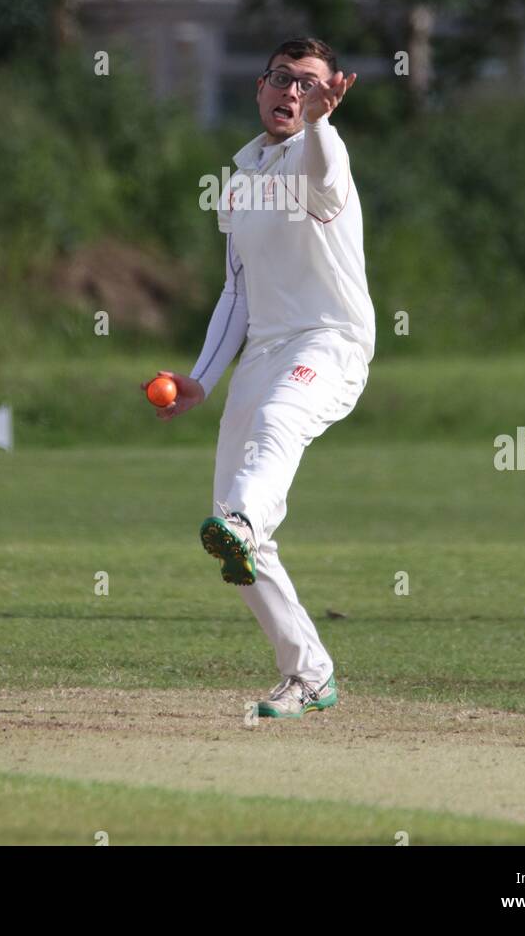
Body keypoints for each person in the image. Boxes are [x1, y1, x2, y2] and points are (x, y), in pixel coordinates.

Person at [141, 36, 375, 718]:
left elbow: (325, 164)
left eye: (308, 84)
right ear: (259, 88)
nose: (291, 91)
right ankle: (309, 674)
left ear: (327, 95)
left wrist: (325, 123)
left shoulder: (321, 159)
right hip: (264, 353)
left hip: (329, 343)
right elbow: (236, 293)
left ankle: (242, 518)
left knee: (270, 442)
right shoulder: (241, 180)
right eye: (281, 78)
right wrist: (201, 380)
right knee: (237, 539)